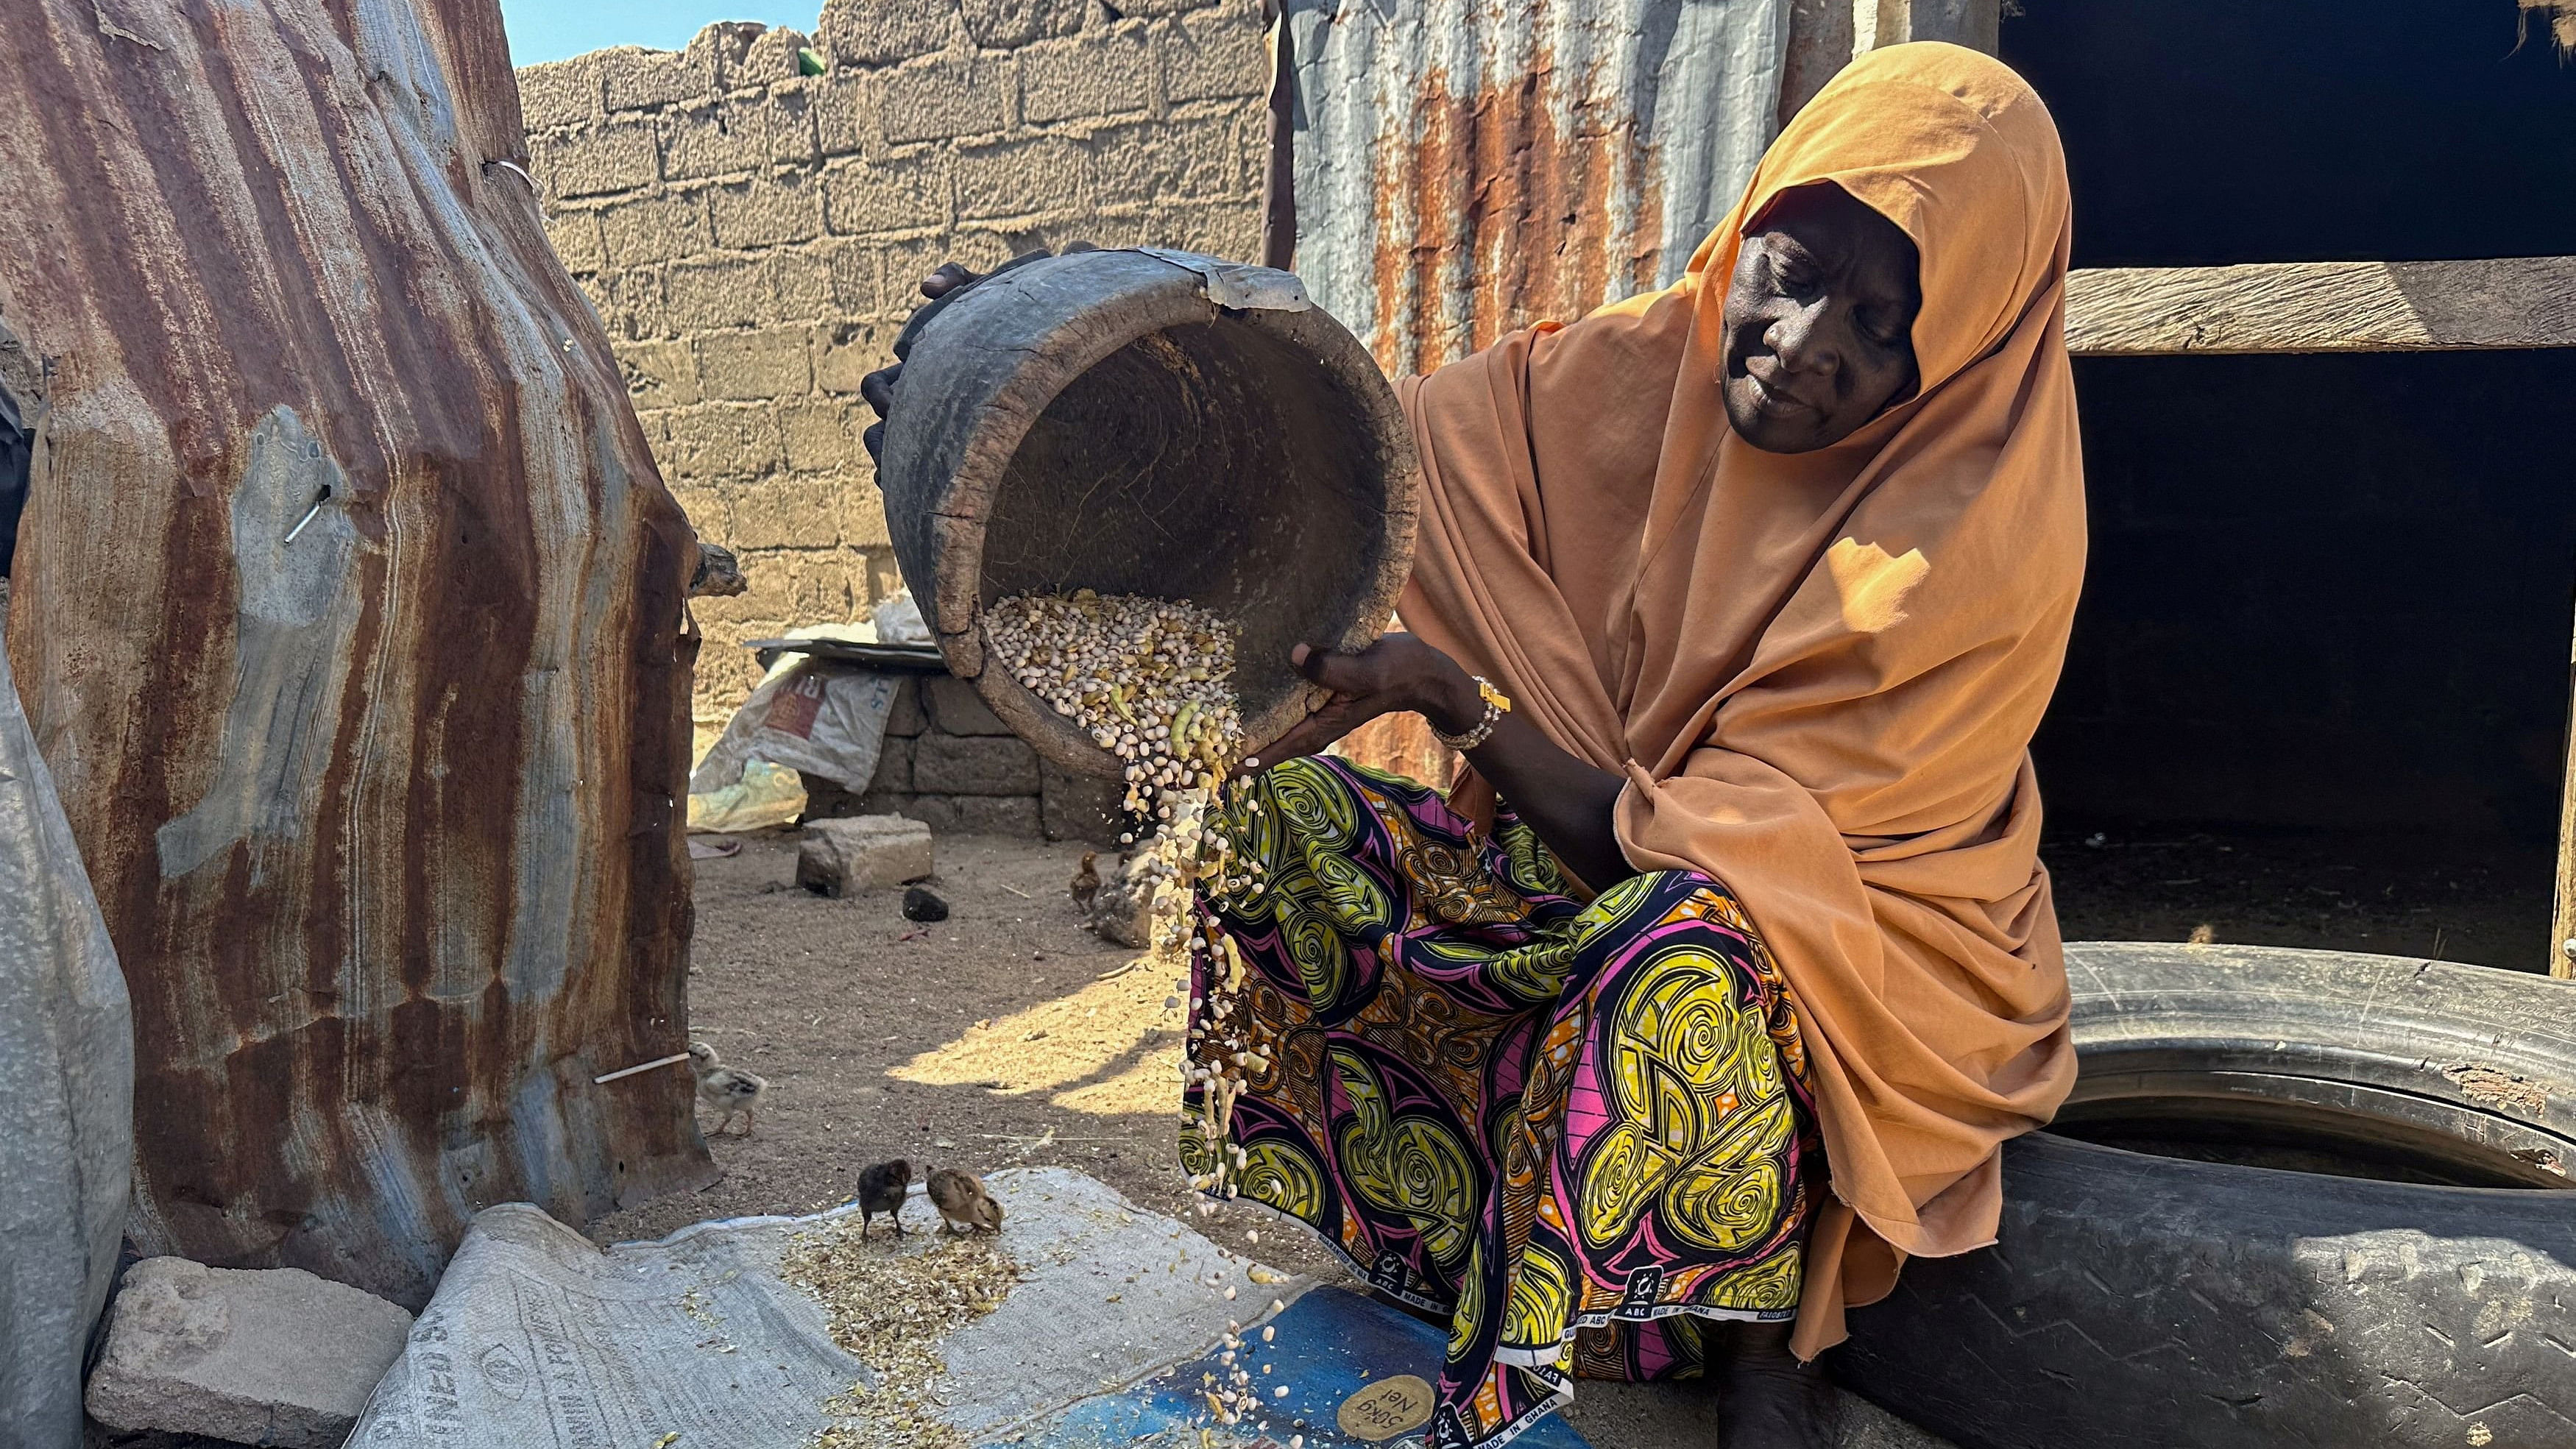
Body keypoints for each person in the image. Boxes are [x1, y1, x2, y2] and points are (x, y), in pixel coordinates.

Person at [865, 42, 2084, 1449]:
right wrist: (1015, 354)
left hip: (1841, 975)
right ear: (1746, 225)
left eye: (1881, 323)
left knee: (1686, 944)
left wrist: (1462, 707)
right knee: (1283, 823)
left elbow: (1739, 875)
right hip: (1592, 878)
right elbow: (1379, 453)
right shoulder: (1625, 378)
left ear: (1969, 343)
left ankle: (1753, 1349)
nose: (1806, 346)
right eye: (1794, 272)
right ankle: (1453, 1240)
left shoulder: (1970, 544)